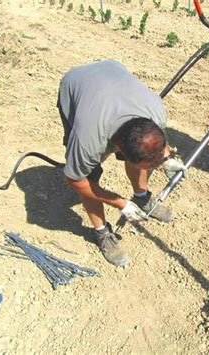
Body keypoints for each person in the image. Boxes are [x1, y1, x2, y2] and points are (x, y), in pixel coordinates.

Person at [57, 59, 185, 267]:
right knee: (90, 176)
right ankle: (102, 232)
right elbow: (74, 179)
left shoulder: (155, 111)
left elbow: (158, 141)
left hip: (111, 73)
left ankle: (142, 197)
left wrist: (167, 159)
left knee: (145, 153)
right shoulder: (88, 138)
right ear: (120, 151)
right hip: (76, 84)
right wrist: (119, 203)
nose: (155, 168)